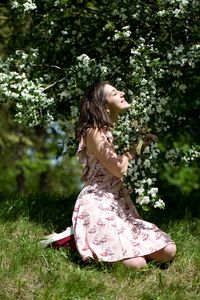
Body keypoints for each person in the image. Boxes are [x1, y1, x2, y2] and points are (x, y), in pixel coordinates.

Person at [42, 81, 176, 269]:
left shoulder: (119, 131)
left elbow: (124, 165)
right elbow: (119, 168)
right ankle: (72, 240)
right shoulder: (94, 132)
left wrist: (141, 145)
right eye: (114, 93)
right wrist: (134, 149)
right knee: (136, 264)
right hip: (97, 203)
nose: (122, 92)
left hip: (119, 202)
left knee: (168, 251)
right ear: (104, 105)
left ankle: (87, 238)